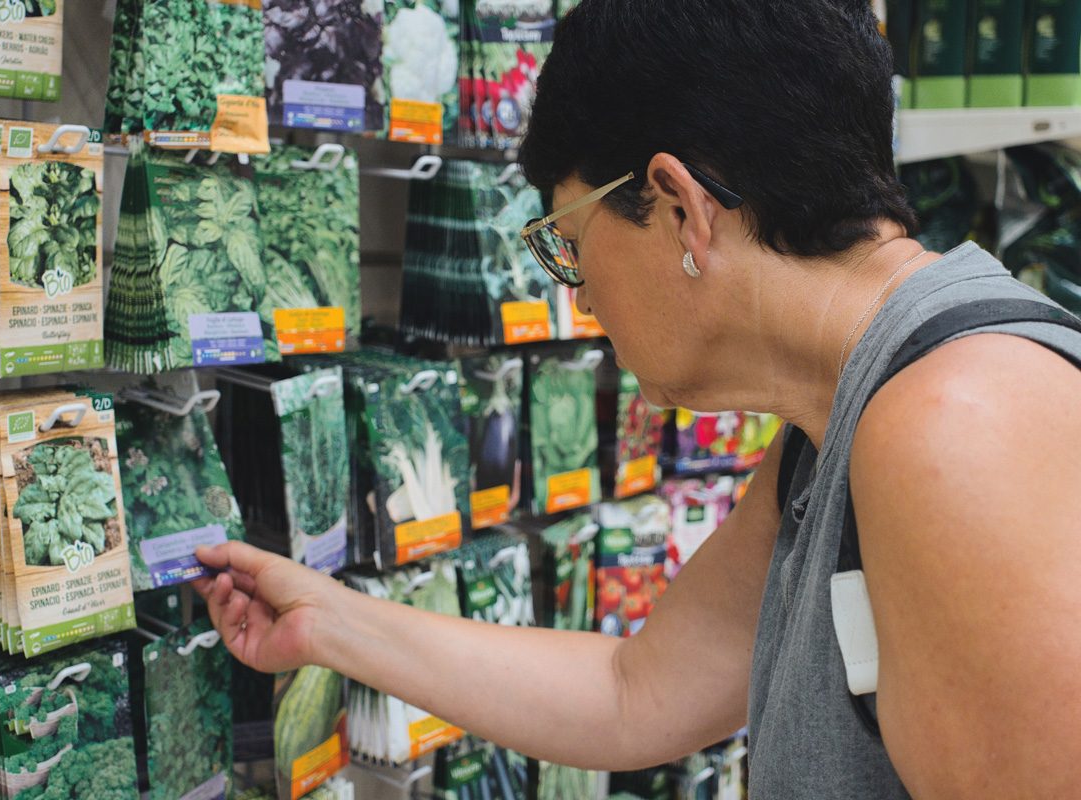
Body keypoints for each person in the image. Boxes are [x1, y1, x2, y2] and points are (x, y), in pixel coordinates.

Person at [196, 1, 1081, 796]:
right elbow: (636, 694)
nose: (579, 296)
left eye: (570, 243)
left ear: (679, 206)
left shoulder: (955, 424)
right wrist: (327, 623)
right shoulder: (840, 418)